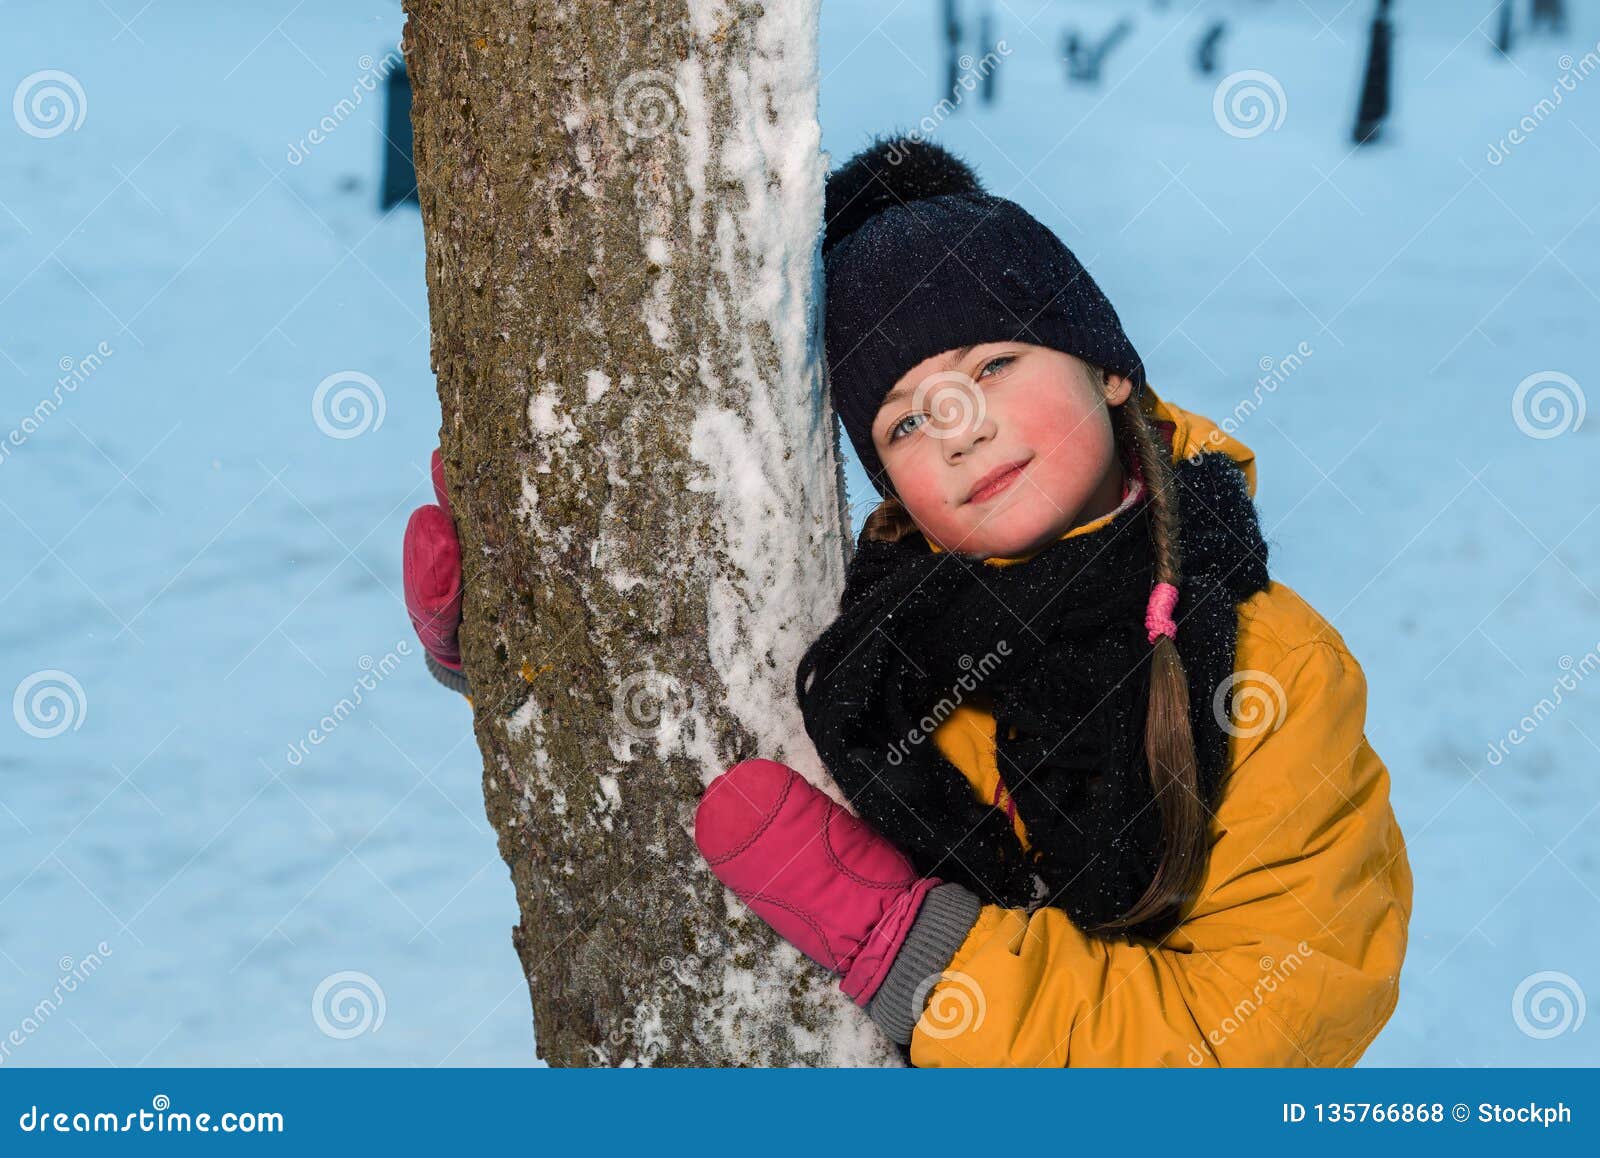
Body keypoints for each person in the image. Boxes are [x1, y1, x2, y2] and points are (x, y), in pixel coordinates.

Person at [405, 134, 1413, 1068]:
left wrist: (923, 960)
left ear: (1108, 369)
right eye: (902, 422)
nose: (961, 426)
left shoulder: (1264, 666)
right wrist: (531, 652)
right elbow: (706, 746)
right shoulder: (874, 640)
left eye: (994, 364)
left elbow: (1258, 1036)